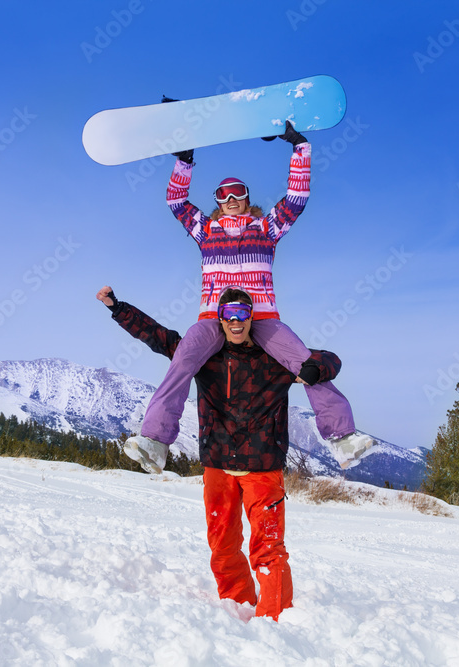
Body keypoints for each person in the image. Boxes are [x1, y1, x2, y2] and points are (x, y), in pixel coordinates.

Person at [97, 284, 347, 620]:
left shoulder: (275, 358)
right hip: (217, 464)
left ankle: (277, 619)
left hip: (263, 466)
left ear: (251, 317)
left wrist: (317, 369)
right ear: (220, 319)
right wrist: (118, 308)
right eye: (229, 314)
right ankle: (237, 606)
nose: (236, 321)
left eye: (243, 313)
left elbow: (328, 359)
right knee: (222, 545)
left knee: (268, 549)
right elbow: (159, 337)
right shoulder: (204, 357)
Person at [131, 121, 373, 468]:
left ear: (247, 198)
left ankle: (342, 438)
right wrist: (184, 162)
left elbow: (296, 199)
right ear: (216, 202)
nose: (230, 199)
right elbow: (176, 200)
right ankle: (154, 441)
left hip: (262, 318)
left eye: (238, 193)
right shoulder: (206, 229)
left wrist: (300, 148)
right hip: (214, 318)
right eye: (222, 195)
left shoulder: (267, 228)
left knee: (306, 364)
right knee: (184, 360)